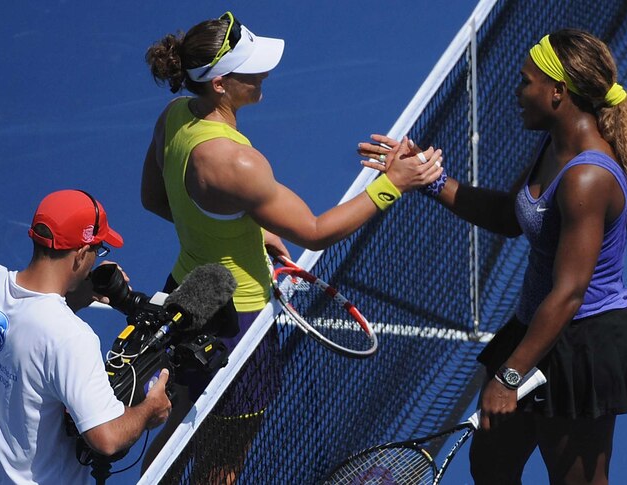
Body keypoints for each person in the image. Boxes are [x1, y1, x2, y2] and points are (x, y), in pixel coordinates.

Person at [360, 29, 627, 484]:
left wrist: (509, 376)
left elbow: (569, 292)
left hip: (583, 342)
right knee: (491, 465)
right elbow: (509, 215)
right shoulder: (555, 145)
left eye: (526, 81)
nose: (517, 92)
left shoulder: (587, 176)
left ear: (558, 92)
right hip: (536, 327)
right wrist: (426, 178)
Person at [139, 11, 443, 481]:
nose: (264, 73)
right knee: (223, 460)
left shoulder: (175, 118)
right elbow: (316, 231)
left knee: (176, 424)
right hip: (237, 328)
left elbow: (157, 199)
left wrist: (241, 229)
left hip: (185, 296)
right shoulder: (236, 161)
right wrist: (393, 184)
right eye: (250, 68)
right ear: (220, 84)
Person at [0, 189, 172, 485]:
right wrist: (149, 409)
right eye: (97, 249)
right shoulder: (71, 337)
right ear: (78, 256)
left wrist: (82, 293)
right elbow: (107, 438)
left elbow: (28, 326)